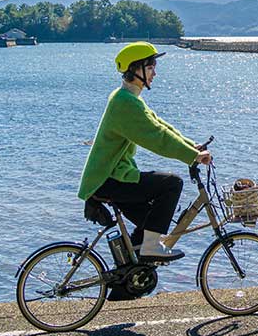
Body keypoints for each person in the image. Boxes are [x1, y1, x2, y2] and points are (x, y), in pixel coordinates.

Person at [77, 42, 212, 263]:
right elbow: (156, 137)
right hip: (107, 179)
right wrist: (192, 156)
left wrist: (191, 146)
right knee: (172, 184)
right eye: (150, 68)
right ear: (135, 69)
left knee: (152, 219)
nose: (155, 73)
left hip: (112, 176)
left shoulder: (128, 98)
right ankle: (150, 248)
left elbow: (160, 125)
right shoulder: (124, 103)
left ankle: (130, 276)